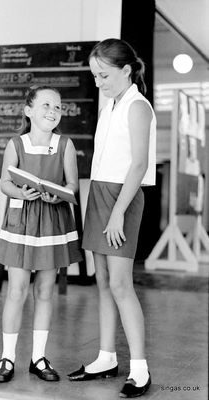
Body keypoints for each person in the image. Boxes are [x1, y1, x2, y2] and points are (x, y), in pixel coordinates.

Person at [68, 38, 156, 398]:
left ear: (125, 70)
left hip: (124, 198)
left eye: (103, 75)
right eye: (94, 76)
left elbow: (138, 164)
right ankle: (106, 357)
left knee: (121, 284)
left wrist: (118, 212)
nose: (98, 83)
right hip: (100, 196)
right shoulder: (110, 106)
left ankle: (140, 369)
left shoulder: (138, 106)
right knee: (102, 281)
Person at [0, 86, 82, 383]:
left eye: (57, 107)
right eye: (45, 105)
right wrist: (22, 191)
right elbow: (5, 183)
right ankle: (7, 357)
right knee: (16, 290)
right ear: (28, 110)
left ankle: (38, 358)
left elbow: (72, 185)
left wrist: (60, 195)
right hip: (21, 220)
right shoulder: (16, 143)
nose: (52, 111)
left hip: (53, 221)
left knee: (45, 291)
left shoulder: (65, 144)